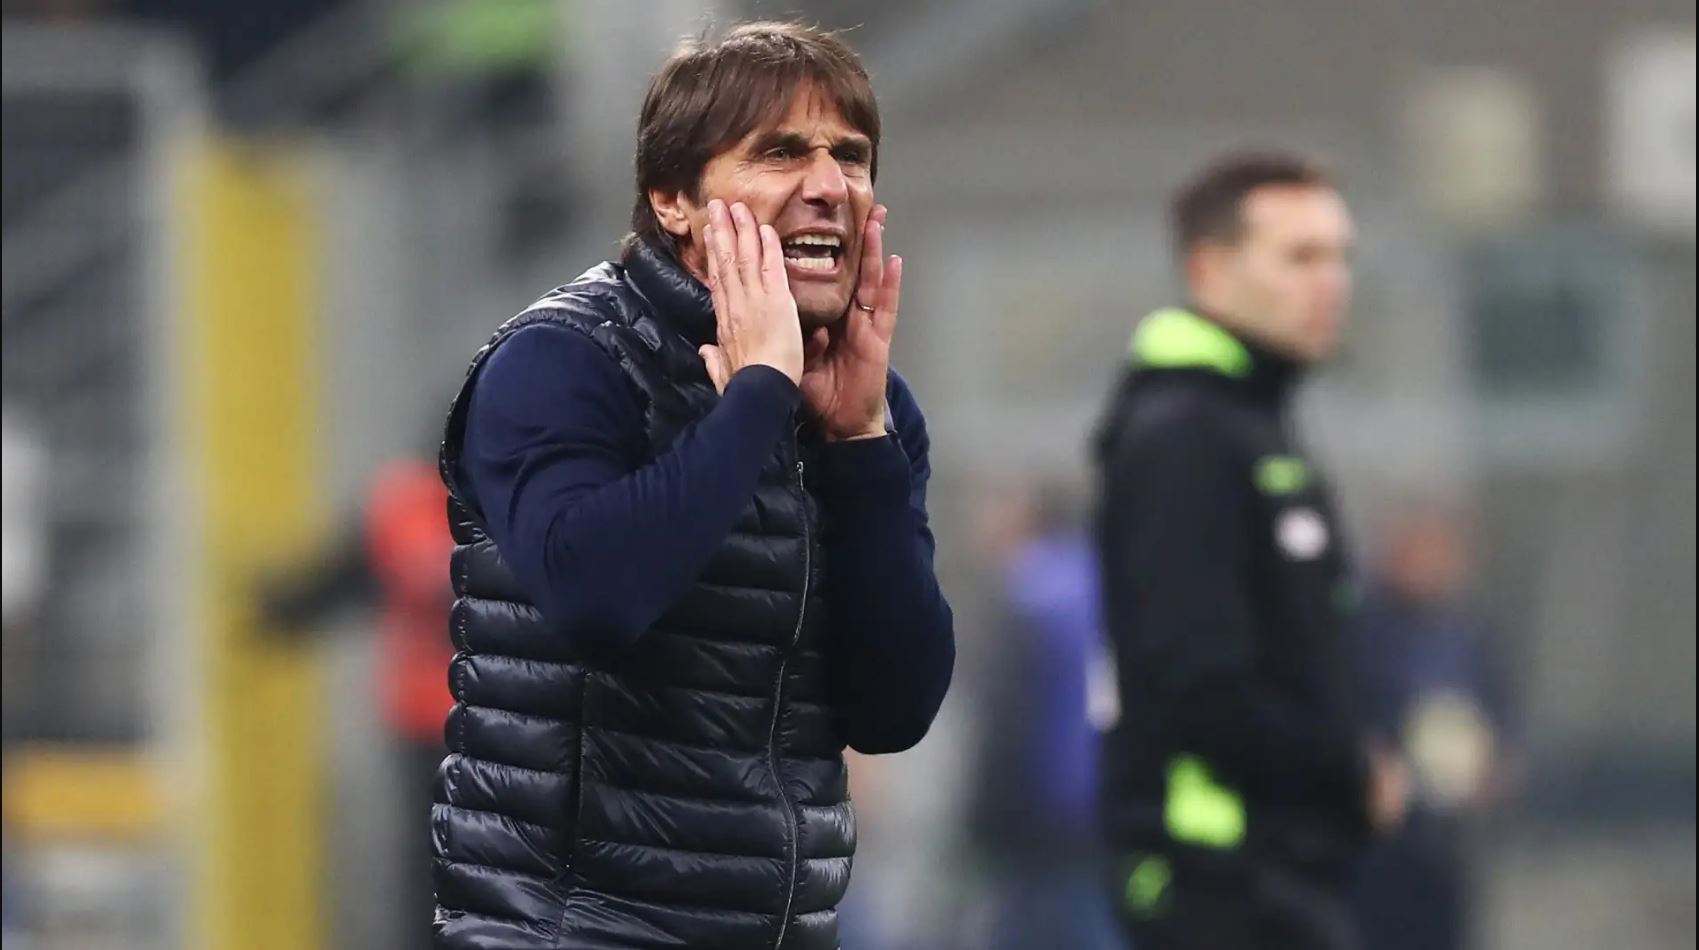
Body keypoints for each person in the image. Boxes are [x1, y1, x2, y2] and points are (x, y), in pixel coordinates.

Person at [430, 22, 955, 950]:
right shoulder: (562, 360)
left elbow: (892, 710)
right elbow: (595, 599)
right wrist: (754, 396)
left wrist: (862, 449)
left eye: (850, 156)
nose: (828, 185)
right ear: (673, 199)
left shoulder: (860, 406)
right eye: (780, 154)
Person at [1091, 151, 1406, 949]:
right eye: (1299, 257)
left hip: (1279, 872)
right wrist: (1347, 769)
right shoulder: (1184, 435)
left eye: (1338, 257)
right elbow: (1194, 677)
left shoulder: (1249, 420)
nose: (1330, 282)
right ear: (1208, 268)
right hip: (1219, 877)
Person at [1349, 506, 1517, 950]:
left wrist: (1495, 768)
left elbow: (1500, 712)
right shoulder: (1361, 631)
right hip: (1379, 836)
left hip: (1445, 836)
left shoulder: (1468, 636)